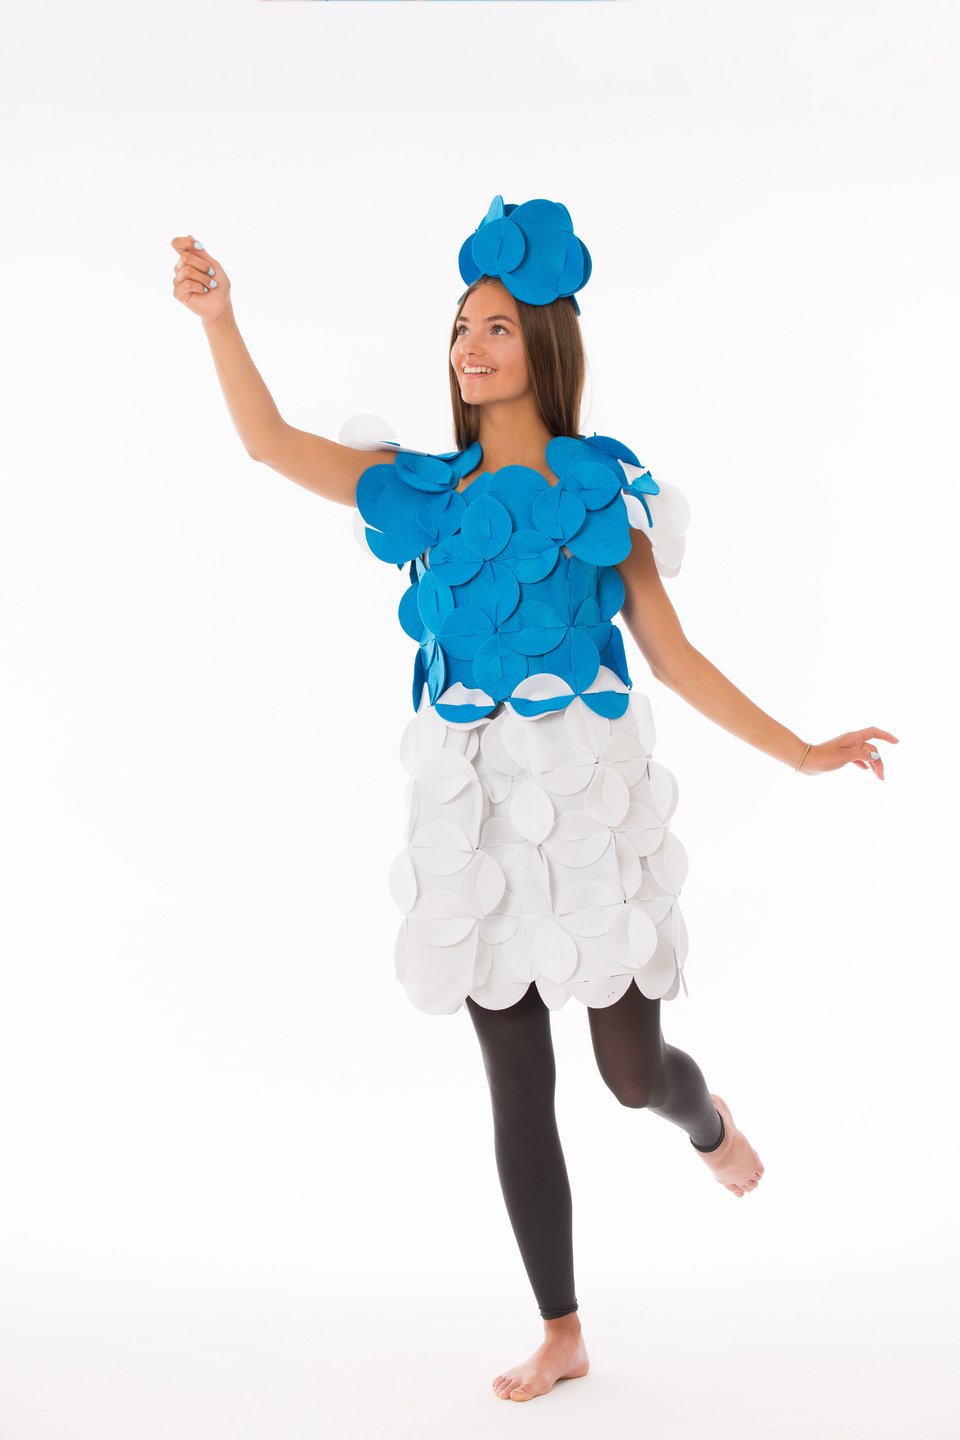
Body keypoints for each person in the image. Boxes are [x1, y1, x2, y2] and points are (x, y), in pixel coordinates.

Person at [170, 196, 897, 1405]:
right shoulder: (422, 490)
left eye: (497, 326)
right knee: (517, 1079)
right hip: (474, 813)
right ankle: (562, 1329)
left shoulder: (601, 495)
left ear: (545, 346)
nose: (471, 343)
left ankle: (705, 1117)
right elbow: (269, 444)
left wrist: (804, 752)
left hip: (586, 799)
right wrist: (220, 319)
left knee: (626, 1069)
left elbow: (674, 656)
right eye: (461, 325)